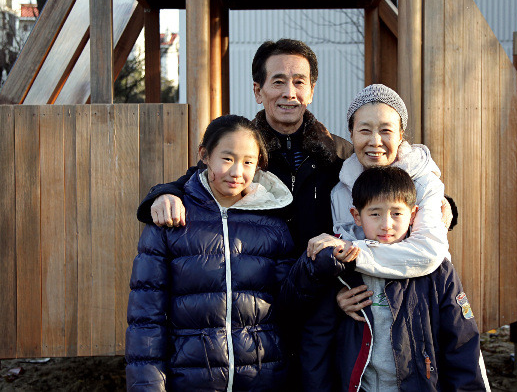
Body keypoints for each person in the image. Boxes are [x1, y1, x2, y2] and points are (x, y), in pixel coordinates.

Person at [125, 115, 295, 391]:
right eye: (227, 158)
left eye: (248, 162)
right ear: (204, 155)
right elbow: (146, 319)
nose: (237, 172)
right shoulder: (170, 219)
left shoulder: (273, 226)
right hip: (189, 380)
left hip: (262, 379)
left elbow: (290, 305)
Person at [137, 39, 353, 254]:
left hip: (324, 273)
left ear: (311, 91)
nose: (289, 93)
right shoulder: (240, 151)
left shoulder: (340, 153)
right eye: (278, 82)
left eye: (299, 82)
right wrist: (165, 194)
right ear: (258, 91)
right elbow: (195, 181)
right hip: (259, 272)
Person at [284, 166, 489, 391]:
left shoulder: (437, 271)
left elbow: (461, 342)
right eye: (375, 214)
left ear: (413, 215)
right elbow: (317, 340)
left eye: (397, 213)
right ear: (356, 216)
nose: (386, 225)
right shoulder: (340, 269)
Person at [306, 84, 452, 321]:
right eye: (365, 130)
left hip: (423, 309)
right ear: (351, 134)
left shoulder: (425, 183)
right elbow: (342, 266)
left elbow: (428, 251)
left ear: (401, 135)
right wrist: (340, 295)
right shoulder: (341, 191)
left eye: (386, 131)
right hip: (367, 317)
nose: (375, 141)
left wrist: (350, 252)